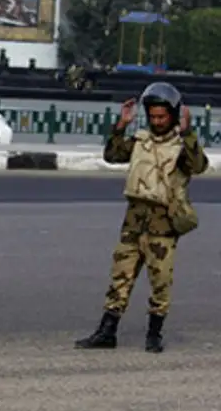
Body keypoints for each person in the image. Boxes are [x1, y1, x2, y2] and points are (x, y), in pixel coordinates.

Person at [74, 82, 208, 354]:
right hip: (134, 221)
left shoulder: (182, 147)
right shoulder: (140, 141)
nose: (157, 122)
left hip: (163, 224)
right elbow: (112, 155)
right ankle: (107, 332)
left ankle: (154, 334)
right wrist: (121, 125)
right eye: (153, 117)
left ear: (173, 115)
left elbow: (198, 166)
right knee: (120, 277)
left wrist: (188, 133)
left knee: (160, 281)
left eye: (162, 117)